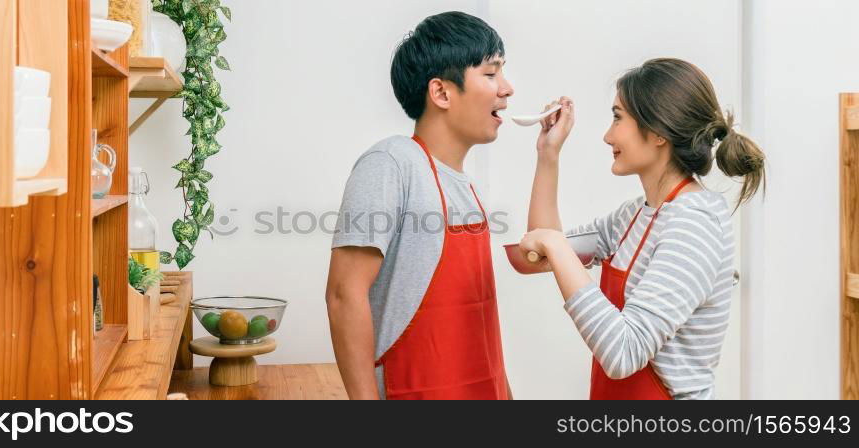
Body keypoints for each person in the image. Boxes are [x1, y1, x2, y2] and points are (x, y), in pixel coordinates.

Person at [520, 58, 766, 399]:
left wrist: (556, 247)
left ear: (659, 133)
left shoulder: (695, 224)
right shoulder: (633, 216)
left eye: (618, 117)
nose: (608, 136)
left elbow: (623, 352)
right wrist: (549, 153)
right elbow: (538, 254)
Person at [325, 11, 515, 400]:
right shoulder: (391, 164)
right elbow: (344, 295)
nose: (507, 88)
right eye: (492, 73)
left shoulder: (466, 186)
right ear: (442, 92)